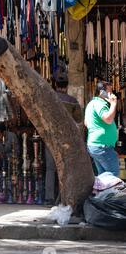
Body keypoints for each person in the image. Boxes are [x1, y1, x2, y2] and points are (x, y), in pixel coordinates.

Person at [44, 73, 83, 205]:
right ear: (67, 86)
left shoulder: (49, 98)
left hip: (50, 138)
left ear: (55, 85)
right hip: (67, 141)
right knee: (67, 169)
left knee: (50, 169)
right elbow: (79, 119)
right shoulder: (72, 101)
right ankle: (64, 197)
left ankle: (49, 198)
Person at [84, 80, 119, 177]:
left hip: (96, 145)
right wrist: (113, 104)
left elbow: (86, 123)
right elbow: (108, 119)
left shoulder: (91, 104)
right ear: (101, 92)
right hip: (102, 146)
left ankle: (103, 193)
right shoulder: (100, 104)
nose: (111, 94)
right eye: (109, 91)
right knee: (113, 176)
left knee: (104, 176)